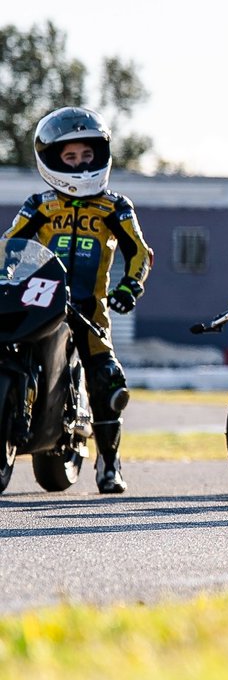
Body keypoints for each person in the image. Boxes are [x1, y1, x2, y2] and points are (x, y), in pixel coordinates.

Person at [6, 108, 152, 494]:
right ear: (52, 159)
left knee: (108, 380)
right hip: (38, 303)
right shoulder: (38, 204)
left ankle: (109, 462)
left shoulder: (114, 206)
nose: (80, 164)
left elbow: (139, 253)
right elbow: (10, 245)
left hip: (89, 311)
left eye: (86, 155)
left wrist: (129, 288)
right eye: (70, 157)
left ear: (100, 154)